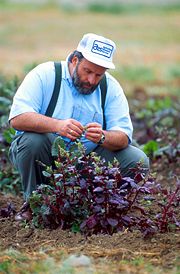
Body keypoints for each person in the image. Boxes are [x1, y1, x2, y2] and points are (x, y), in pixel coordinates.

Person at [9, 33, 149, 221]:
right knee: (33, 140)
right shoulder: (45, 75)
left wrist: (103, 137)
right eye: (87, 71)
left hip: (86, 163)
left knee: (138, 160)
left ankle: (92, 208)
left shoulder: (111, 88)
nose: (91, 80)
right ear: (75, 60)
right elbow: (17, 118)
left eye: (98, 75)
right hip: (45, 158)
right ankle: (35, 205)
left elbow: (123, 136)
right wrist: (57, 125)